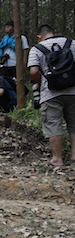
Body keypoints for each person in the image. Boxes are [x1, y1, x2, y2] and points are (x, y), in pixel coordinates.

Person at [27, 24, 75, 166]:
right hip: (73, 91)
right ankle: (74, 155)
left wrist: (41, 82)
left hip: (50, 93)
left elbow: (34, 72)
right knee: (74, 123)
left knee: (53, 124)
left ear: (39, 37)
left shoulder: (36, 49)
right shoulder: (71, 43)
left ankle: (57, 158)